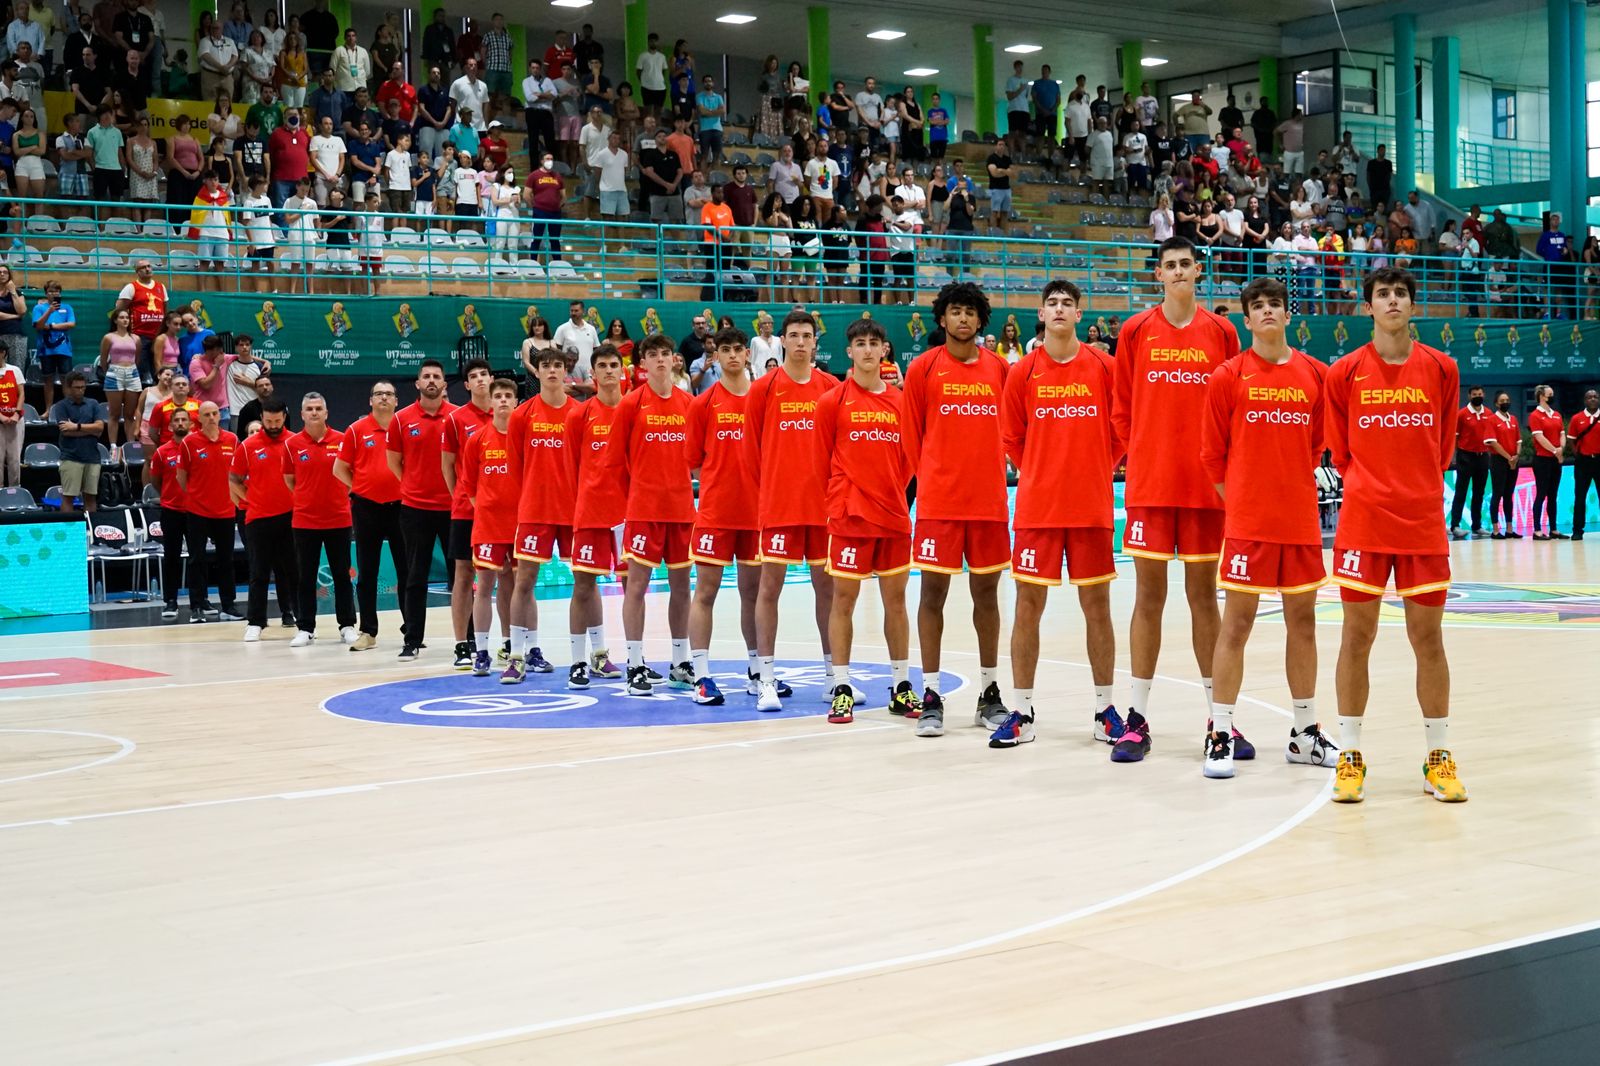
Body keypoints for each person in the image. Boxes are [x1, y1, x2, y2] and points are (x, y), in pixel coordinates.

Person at [1325, 267, 1465, 802]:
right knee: (1356, 638)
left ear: (1412, 305)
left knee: (1427, 639)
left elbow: (1444, 445)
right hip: (1364, 521)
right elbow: (1340, 451)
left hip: (1423, 522)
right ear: (1368, 307)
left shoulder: (1442, 368)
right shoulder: (1344, 374)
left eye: (1400, 294)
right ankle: (1351, 754)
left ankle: (1438, 756)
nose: (1391, 301)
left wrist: (1417, 485)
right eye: (1381, 294)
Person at [1110, 236, 1244, 764]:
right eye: (1170, 266)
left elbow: (1236, 405)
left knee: (1203, 599)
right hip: (1151, 488)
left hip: (1206, 491)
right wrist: (1141, 456)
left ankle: (1221, 722)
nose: (1179, 272)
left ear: (1198, 271)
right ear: (1158, 275)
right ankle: (1137, 720)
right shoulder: (1136, 330)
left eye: (1187, 264)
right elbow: (1122, 408)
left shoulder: (1223, 332)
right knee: (1149, 599)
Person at [1198, 277, 1338, 778]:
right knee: (1236, 626)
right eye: (1257, 306)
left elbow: (1316, 446)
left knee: (1303, 624)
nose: (1267, 312)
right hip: (1248, 526)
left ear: (1287, 314)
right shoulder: (1227, 376)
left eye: (1274, 304)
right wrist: (1242, 505)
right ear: (1246, 319)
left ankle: (1304, 734)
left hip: (1299, 524)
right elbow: (1212, 458)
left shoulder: (1315, 375)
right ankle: (1219, 732)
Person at [995, 280, 1120, 748]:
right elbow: (1012, 438)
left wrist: (1091, 470)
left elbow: (1121, 430)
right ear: (1041, 314)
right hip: (1038, 511)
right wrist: (1046, 473)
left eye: (1069, 302)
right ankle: (1022, 712)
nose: (1061, 308)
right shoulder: (1022, 372)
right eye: (1053, 303)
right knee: (1027, 609)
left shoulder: (1105, 367)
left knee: (1098, 610)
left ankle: (1105, 711)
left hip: (1090, 509)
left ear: (1080, 313)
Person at [902, 282, 1012, 737]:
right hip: (939, 506)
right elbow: (911, 437)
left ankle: (990, 692)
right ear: (942, 319)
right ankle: (930, 693)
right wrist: (931, 481)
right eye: (955, 311)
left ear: (980, 320)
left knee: (987, 597)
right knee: (933, 596)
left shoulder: (1001, 370)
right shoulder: (923, 369)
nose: (962, 319)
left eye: (970, 312)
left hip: (987, 503)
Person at [809, 317, 919, 724]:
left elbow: (910, 461)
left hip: (892, 515)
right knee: (843, 601)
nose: (868, 349)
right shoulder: (832, 402)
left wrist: (890, 490)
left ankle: (902, 686)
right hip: (850, 517)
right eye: (860, 343)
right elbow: (820, 462)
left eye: (875, 342)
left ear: (885, 350)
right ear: (849, 352)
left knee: (896, 603)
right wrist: (843, 498)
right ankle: (841, 687)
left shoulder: (903, 401)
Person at [746, 309, 837, 708]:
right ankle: (765, 679)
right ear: (781, 340)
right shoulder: (763, 390)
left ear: (815, 342)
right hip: (780, 508)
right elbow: (750, 454)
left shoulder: (833, 388)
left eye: (807, 335)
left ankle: (836, 677)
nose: (800, 342)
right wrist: (768, 497)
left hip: (823, 510)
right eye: (794, 335)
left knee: (828, 592)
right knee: (769, 590)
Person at [607, 332, 696, 695]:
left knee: (681, 587)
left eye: (665, 353)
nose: (660, 360)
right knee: (637, 586)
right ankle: (635, 664)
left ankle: (679, 661)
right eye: (653, 354)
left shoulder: (690, 403)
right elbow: (614, 463)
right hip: (643, 509)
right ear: (641, 363)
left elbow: (699, 460)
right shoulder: (630, 405)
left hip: (681, 510)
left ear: (674, 359)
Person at [681, 327, 763, 706]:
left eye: (737, 349)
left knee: (754, 595)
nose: (732, 355)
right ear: (716, 354)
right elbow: (694, 463)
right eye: (724, 350)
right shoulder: (703, 404)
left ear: (747, 354)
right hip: (715, 514)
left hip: (757, 514)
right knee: (706, 593)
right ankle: (702, 677)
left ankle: (757, 672)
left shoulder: (764, 400)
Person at [497, 349, 574, 682]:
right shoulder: (522, 415)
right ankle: (518, 655)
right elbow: (514, 468)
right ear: (537, 372)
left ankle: (594, 655)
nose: (553, 370)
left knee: (586, 582)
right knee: (523, 581)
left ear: (566, 371)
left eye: (558, 365)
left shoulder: (581, 413)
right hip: (535, 511)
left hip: (574, 511)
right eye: (546, 365)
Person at [562, 345, 628, 686]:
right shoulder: (579, 415)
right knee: (583, 586)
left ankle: (636, 659)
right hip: (590, 512)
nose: (608, 371)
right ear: (593, 373)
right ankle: (580, 660)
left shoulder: (634, 411)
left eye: (614, 365)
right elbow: (571, 466)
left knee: (634, 586)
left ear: (622, 370)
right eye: (602, 365)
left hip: (629, 515)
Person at [385, 360, 457, 660]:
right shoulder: (401, 419)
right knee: (415, 576)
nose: (431, 380)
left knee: (461, 576)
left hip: (454, 508)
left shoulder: (456, 417)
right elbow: (394, 462)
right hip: (415, 509)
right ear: (417, 383)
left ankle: (467, 640)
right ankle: (412, 639)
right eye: (425, 376)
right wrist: (415, 486)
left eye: (436, 377)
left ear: (444, 384)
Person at [332, 379, 407, 651]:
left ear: (396, 400)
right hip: (366, 507)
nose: (384, 398)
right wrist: (360, 488)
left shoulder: (404, 428)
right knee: (367, 573)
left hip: (401, 507)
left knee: (406, 570)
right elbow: (339, 469)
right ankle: (368, 631)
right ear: (370, 400)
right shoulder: (356, 430)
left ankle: (411, 629)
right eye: (378, 394)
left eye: (389, 394)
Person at [453, 376, 519, 676]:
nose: (504, 400)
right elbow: (469, 486)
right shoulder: (477, 440)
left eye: (508, 395)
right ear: (491, 402)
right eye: (499, 396)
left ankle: (514, 646)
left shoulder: (524, 438)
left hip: (520, 527)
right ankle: (481, 652)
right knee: (485, 588)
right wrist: (489, 512)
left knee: (517, 587)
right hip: (488, 527)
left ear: (516, 402)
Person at [282, 392, 357, 647]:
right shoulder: (292, 445)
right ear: (302, 414)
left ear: (326, 413)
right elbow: (290, 480)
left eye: (318, 408)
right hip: (305, 521)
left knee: (342, 575)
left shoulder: (343, 439)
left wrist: (335, 497)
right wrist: (308, 497)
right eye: (309, 409)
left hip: (338, 518)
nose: (314, 413)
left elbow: (351, 476)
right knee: (305, 576)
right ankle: (305, 628)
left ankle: (347, 625)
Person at [438, 358, 496, 668]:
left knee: (507, 575)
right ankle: (462, 644)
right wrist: (460, 496)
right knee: (463, 574)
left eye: (484, 374)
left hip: (501, 511)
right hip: (465, 509)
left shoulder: (506, 414)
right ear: (467, 384)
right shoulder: (456, 419)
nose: (480, 380)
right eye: (473, 376)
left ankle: (510, 643)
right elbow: (447, 465)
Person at [229, 394, 299, 640]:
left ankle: (303, 621)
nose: (272, 426)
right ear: (262, 418)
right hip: (258, 518)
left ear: (284, 418)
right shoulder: (248, 446)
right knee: (258, 572)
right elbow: (233, 479)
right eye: (268, 421)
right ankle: (256, 622)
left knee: (294, 571)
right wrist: (249, 499)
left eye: (277, 421)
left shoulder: (295, 442)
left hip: (292, 517)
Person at [177, 402, 243, 621]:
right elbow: (182, 478)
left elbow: (239, 474)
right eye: (207, 414)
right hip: (197, 510)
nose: (213, 417)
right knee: (197, 559)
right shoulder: (189, 442)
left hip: (225, 510)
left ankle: (228, 605)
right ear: (200, 418)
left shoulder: (232, 440)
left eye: (215, 413)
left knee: (226, 560)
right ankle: (197, 605)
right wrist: (198, 495)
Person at [146, 405, 193, 620]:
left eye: (185, 420)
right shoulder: (162, 452)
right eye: (177, 420)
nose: (181, 423)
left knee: (197, 557)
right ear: (171, 425)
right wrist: (169, 495)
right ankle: (171, 601)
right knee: (171, 556)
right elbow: (156, 481)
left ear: (191, 424)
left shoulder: (197, 448)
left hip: (195, 511)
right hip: (172, 510)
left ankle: (198, 600)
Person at [1449, 385, 1492, 539]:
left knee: (1479, 493)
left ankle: (1477, 526)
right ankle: (1455, 525)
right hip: (1465, 457)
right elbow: (1455, 436)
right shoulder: (1462, 414)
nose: (1477, 396)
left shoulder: (1488, 413)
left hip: (1483, 456)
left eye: (1480, 394)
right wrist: (1453, 455)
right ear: (1469, 396)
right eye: (1474, 394)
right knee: (1461, 492)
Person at [1528, 384, 1567, 539]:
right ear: (1542, 396)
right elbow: (1539, 437)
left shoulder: (1556, 414)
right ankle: (1537, 530)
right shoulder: (1535, 415)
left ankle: (1554, 528)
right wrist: (1554, 451)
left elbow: (1562, 433)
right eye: (1550, 394)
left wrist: (1561, 449)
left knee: (1553, 494)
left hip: (1555, 459)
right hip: (1542, 459)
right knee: (1541, 493)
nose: (1552, 396)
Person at [31, 280, 74, 418]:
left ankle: (67, 411)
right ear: (46, 293)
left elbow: (71, 324)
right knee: (48, 381)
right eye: (50, 291)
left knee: (66, 380)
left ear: (60, 293)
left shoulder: (67, 308)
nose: (54, 294)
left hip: (64, 349)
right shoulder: (39, 308)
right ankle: (48, 410)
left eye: (56, 291)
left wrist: (50, 326)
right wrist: (49, 311)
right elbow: (38, 325)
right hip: (45, 350)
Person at [1485, 391, 1522, 539]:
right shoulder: (1491, 420)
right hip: (1499, 461)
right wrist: (1508, 457)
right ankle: (1495, 529)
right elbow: (1493, 442)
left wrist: (1516, 456)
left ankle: (1509, 528)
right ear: (1496, 403)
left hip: (1513, 460)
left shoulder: (1513, 419)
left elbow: (1518, 440)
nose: (1505, 402)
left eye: (1507, 399)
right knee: (1498, 493)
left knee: (1509, 495)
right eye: (1502, 400)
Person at [1569, 390, 1600, 540]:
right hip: (1583, 462)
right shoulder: (1577, 418)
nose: (1593, 399)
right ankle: (1577, 530)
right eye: (1589, 397)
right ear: (1584, 401)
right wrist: (1579, 455)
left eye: (1595, 397)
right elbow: (1571, 440)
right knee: (1580, 497)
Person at [0, 335, 22, 487]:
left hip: (15, 421)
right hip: (0, 421)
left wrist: (16, 414)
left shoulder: (15, 370)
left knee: (14, 459)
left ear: (3, 352)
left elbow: (22, 394)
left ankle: (15, 490)